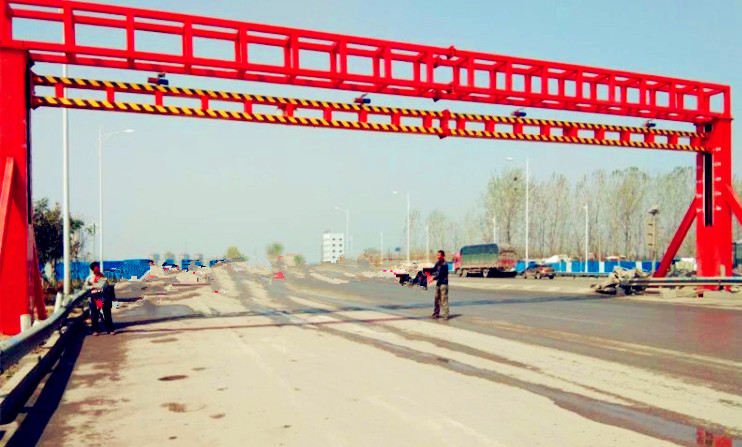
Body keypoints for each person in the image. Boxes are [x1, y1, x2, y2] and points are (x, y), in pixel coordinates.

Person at [85, 262, 115, 335]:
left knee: (107, 313)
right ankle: (95, 330)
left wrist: (95, 286)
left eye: (98, 267)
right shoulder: (89, 278)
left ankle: (110, 329)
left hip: (102, 296)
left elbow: (104, 285)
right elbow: (85, 287)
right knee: (94, 314)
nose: (98, 269)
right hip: (94, 296)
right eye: (96, 268)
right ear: (93, 269)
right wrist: (92, 287)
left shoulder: (103, 277)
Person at [430, 250, 449, 320]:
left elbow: (441, 274)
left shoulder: (444, 264)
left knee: (443, 300)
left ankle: (445, 315)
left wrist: (433, 278)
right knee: (437, 300)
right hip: (438, 284)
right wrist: (426, 271)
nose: (437, 256)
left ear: (443, 256)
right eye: (437, 255)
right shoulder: (438, 263)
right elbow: (433, 270)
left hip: (443, 284)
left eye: (439, 255)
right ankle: (436, 314)